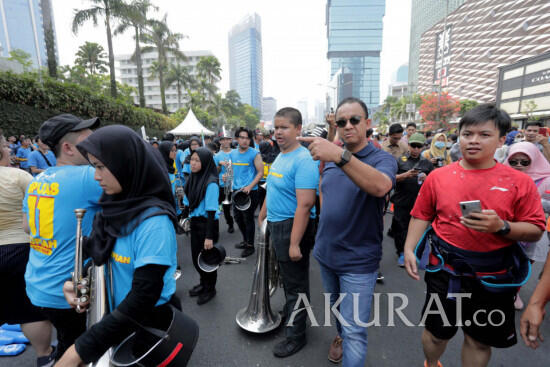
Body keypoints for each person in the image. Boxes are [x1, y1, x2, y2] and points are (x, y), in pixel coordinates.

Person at [403, 104, 546, 367]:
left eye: (484, 134)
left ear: (502, 139)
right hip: (445, 270)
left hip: (494, 275)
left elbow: (536, 229)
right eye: (467, 134)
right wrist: (410, 249)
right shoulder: (439, 177)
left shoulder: (519, 182)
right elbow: (421, 214)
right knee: (436, 335)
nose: (473, 141)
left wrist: (502, 226)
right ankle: (431, 363)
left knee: (479, 340)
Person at [56, 125, 181, 366]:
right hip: (117, 322)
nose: (95, 176)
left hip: (148, 326)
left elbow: (143, 296)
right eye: (93, 166)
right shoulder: (111, 207)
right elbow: (97, 257)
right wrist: (74, 283)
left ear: (126, 165)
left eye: (101, 166)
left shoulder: (154, 223)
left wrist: (79, 350)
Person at [298, 97, 397, 366]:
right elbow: (324, 189)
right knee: (339, 314)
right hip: (326, 254)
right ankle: (339, 336)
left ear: (368, 123)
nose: (348, 126)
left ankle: (346, 338)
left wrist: (340, 155)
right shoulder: (330, 157)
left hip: (358, 262)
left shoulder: (381, 158)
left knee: (355, 330)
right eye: (342, 122)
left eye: (355, 120)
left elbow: (380, 187)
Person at [22, 114, 102, 362]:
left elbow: (27, 226)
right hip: (67, 288)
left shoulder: (37, 180)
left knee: (67, 341)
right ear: (68, 148)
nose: (96, 145)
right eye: (88, 141)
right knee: (76, 350)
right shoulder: (88, 176)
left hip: (38, 281)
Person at [258, 107, 318, 358]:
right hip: (277, 224)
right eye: (276, 127)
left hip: (293, 227)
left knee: (296, 285)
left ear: (298, 129)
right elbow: (272, 188)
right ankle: (295, 313)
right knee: (286, 279)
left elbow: (305, 205)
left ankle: (296, 336)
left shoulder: (303, 159)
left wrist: (294, 243)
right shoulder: (281, 155)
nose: (278, 132)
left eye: (284, 127)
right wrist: (262, 214)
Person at [0, 135, 55, 367]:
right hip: (18, 249)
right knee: (28, 309)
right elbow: (37, 214)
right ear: (2, 150)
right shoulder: (19, 176)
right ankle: (45, 355)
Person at [505, 141, 550, 309]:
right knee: (501, 262)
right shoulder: (500, 176)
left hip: (532, 232)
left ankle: (514, 292)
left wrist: (535, 203)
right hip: (503, 229)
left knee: (524, 264)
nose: (518, 165)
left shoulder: (546, 180)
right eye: (513, 161)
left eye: (524, 162)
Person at [391, 133, 434, 267]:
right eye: (413, 146)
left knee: (417, 228)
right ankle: (402, 252)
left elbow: (433, 182)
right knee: (400, 227)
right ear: (409, 145)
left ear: (423, 147)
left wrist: (426, 179)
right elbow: (390, 177)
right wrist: (405, 175)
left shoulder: (426, 163)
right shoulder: (400, 160)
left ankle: (415, 252)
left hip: (420, 201)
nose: (415, 149)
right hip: (401, 200)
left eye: (418, 146)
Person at [184, 147, 220, 305]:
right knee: (196, 258)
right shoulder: (193, 178)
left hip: (207, 224)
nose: (193, 163)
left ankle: (210, 289)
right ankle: (203, 283)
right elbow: (188, 203)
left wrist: (209, 236)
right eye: (192, 159)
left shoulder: (211, 182)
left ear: (205, 162)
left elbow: (212, 211)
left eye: (197, 160)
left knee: (208, 260)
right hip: (196, 223)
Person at [230, 127, 264, 258]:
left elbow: (260, 173)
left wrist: (250, 186)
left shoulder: (254, 153)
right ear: (237, 139)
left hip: (251, 192)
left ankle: (250, 246)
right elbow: (233, 171)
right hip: (236, 191)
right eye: (242, 138)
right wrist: (227, 177)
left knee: (248, 218)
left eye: (247, 138)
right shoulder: (232, 154)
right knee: (237, 218)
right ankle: (245, 240)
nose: (245, 140)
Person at [214, 133, 235, 233]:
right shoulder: (217, 156)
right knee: (221, 208)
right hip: (222, 185)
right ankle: (227, 224)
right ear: (220, 141)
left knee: (232, 209)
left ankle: (234, 223)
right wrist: (219, 164)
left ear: (230, 140)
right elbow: (215, 172)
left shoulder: (236, 153)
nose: (226, 141)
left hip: (234, 185)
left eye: (228, 139)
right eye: (223, 139)